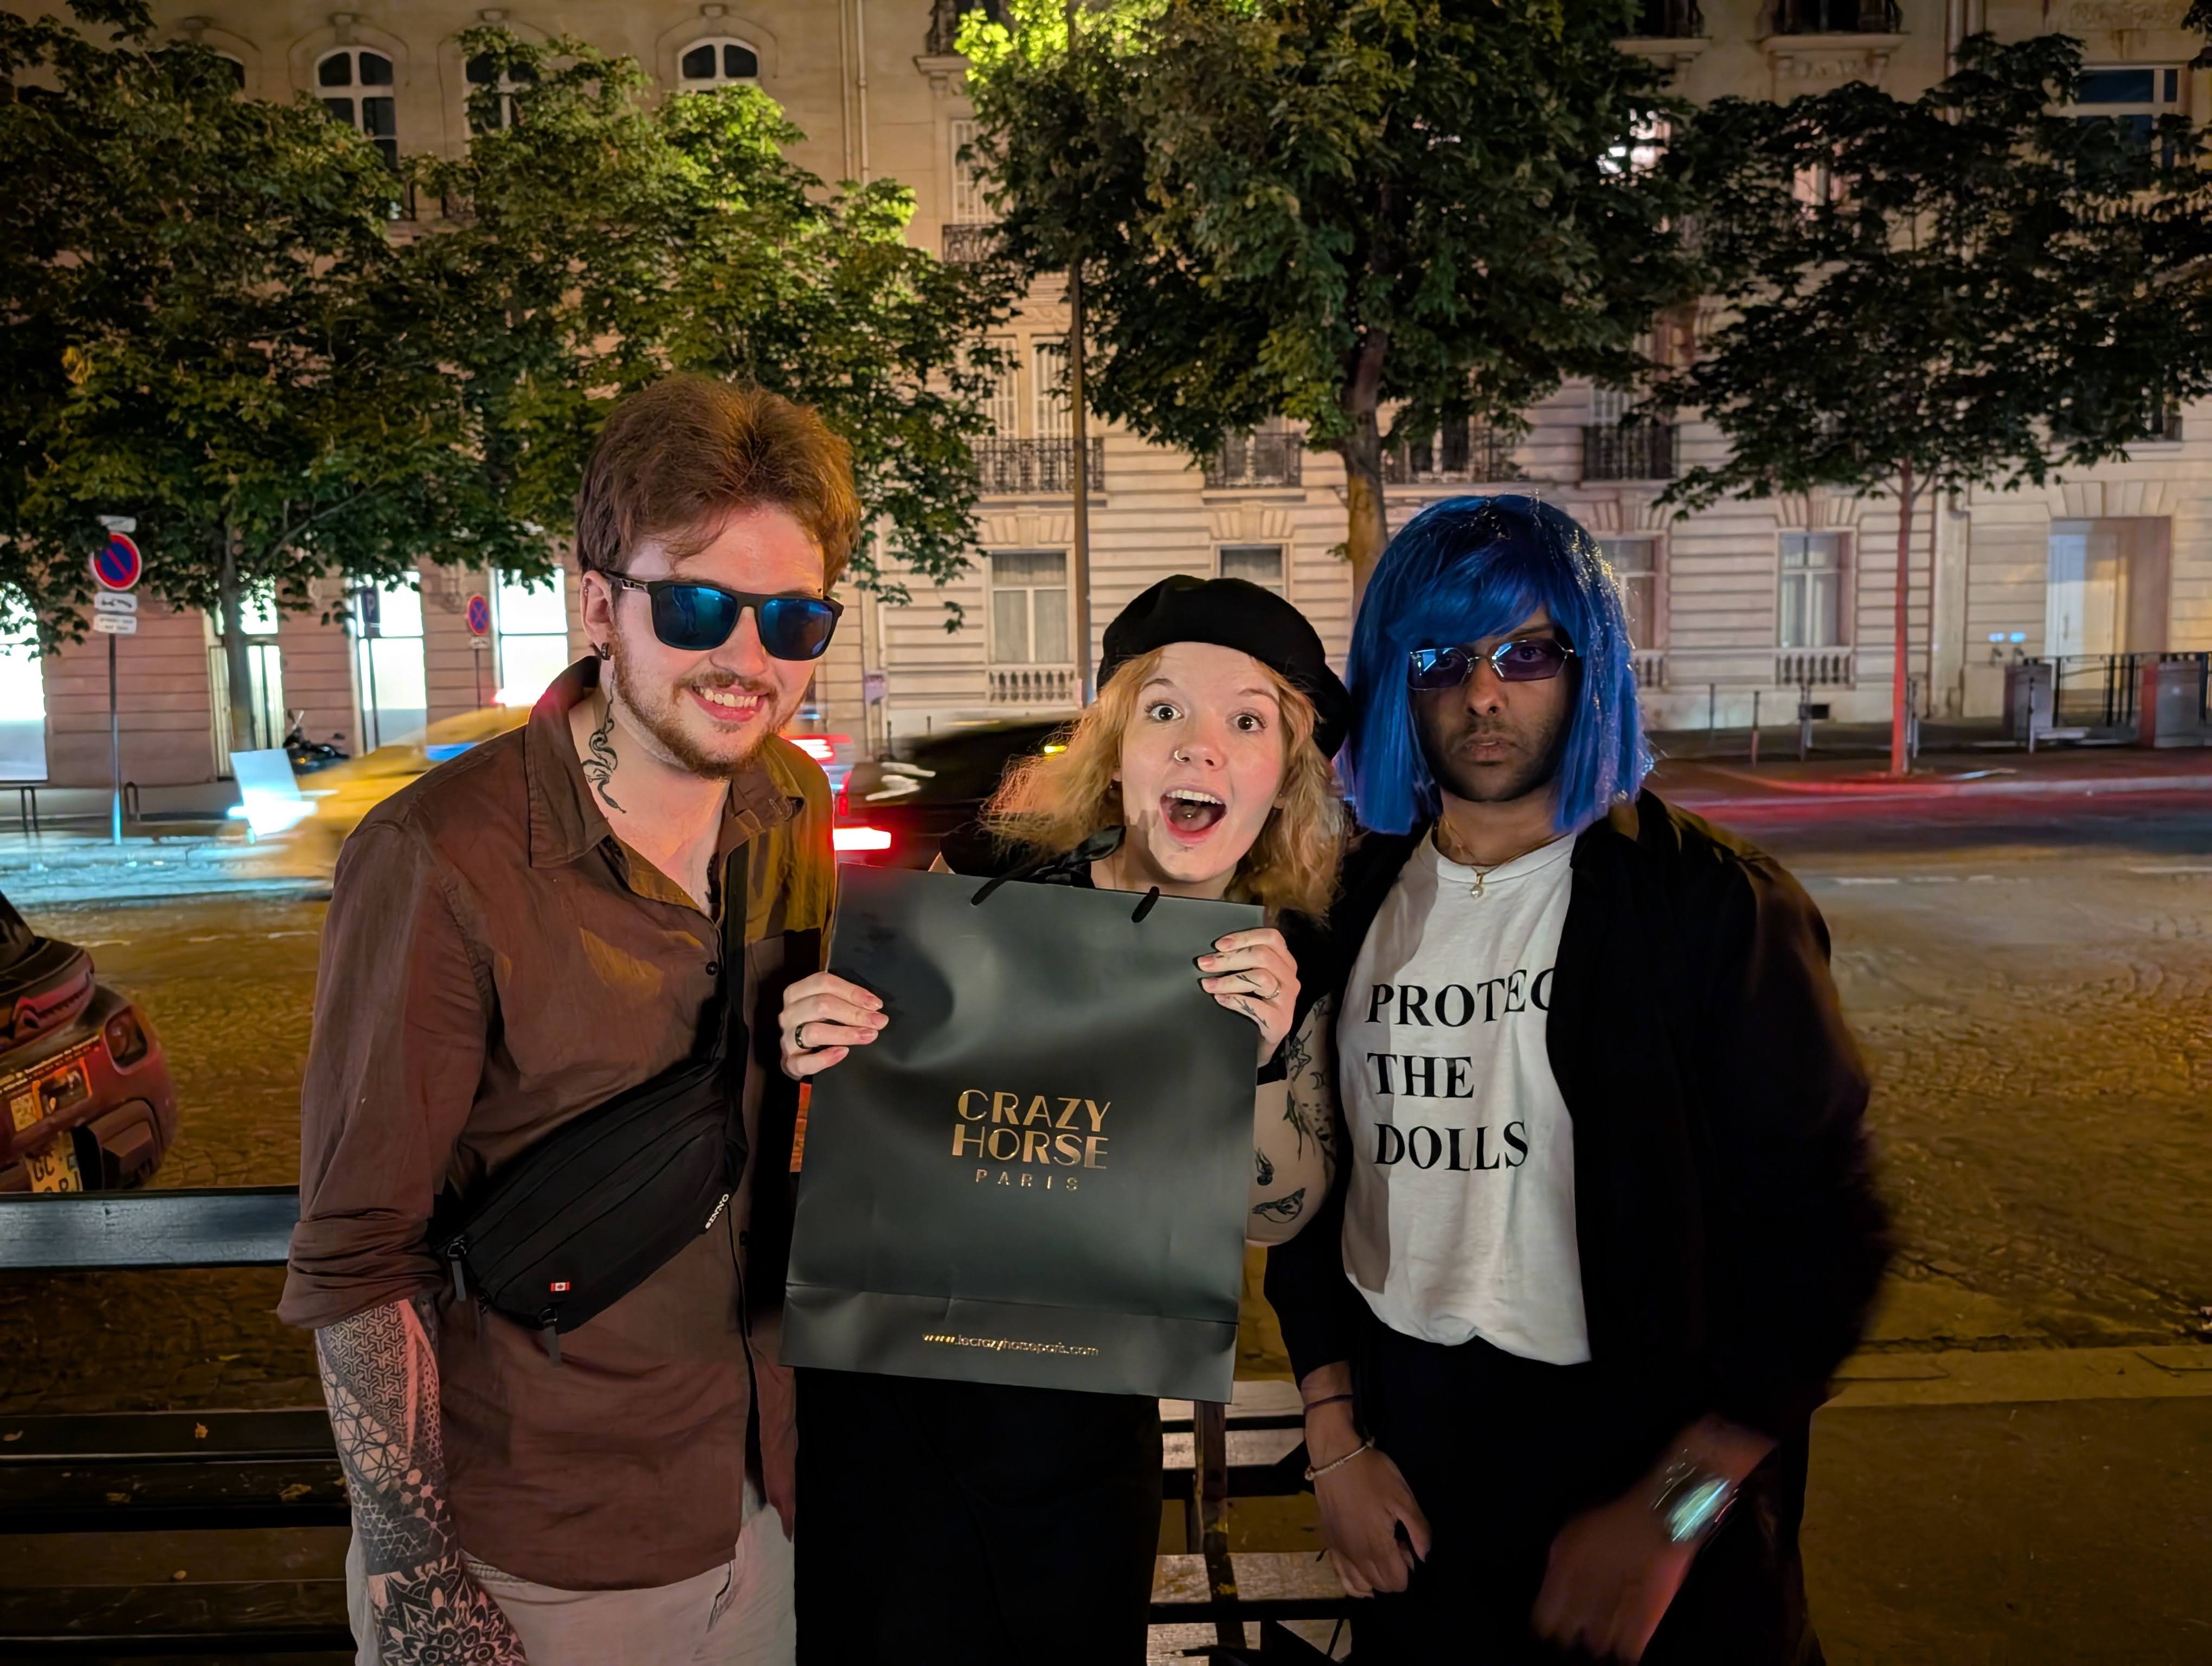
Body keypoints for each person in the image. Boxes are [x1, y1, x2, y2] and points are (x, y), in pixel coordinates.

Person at [281, 376, 855, 1665]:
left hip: (765, 1509)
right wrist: (423, 1595)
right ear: (599, 606)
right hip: (534, 1558)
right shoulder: (439, 859)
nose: (750, 660)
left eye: (794, 618)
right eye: (698, 606)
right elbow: (360, 1254)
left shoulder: (791, 806)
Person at [1265, 496, 1890, 1664]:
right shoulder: (1346, 906)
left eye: (1526, 654)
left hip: (1644, 1481)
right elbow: (1310, 1197)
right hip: (1415, 1470)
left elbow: (1826, 1237)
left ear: (1587, 662)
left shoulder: (1710, 908)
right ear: (1397, 684)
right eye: (1440, 660)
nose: (1482, 695)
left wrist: (1673, 1514)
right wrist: (1337, 1441)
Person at [777, 575, 1353, 1665]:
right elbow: (875, 1105)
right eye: (1164, 709)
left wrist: (1265, 1061)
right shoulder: (990, 880)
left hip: (1083, 1439)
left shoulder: (1289, 952)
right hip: (891, 1400)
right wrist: (817, 1044)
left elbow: (1276, 1216)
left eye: (1248, 721)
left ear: (1285, 772)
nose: (1201, 747)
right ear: (1116, 747)